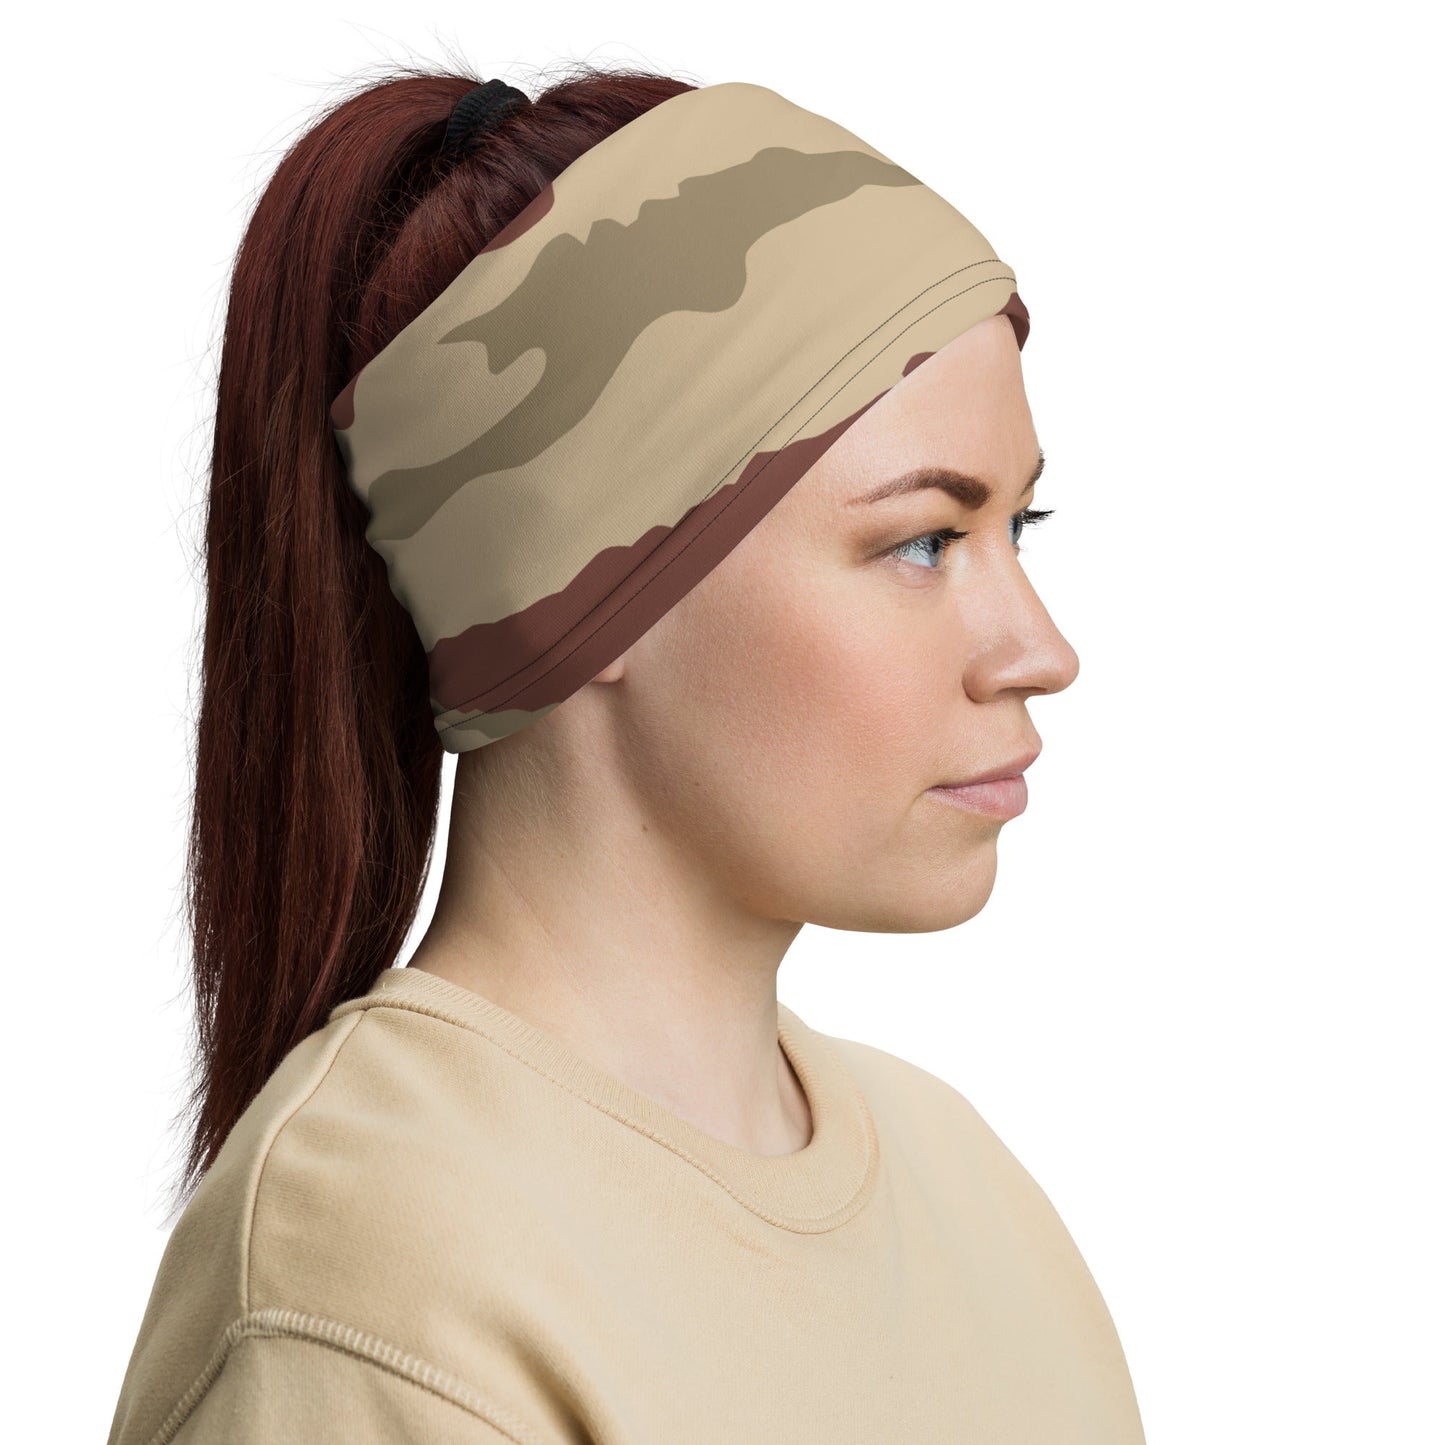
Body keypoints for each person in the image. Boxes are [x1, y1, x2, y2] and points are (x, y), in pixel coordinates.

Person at [106, 62, 1146, 1444]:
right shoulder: (380, 1273)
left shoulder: (969, 1196)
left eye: (1021, 528)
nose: (1039, 649)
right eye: (920, 541)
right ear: (577, 588)